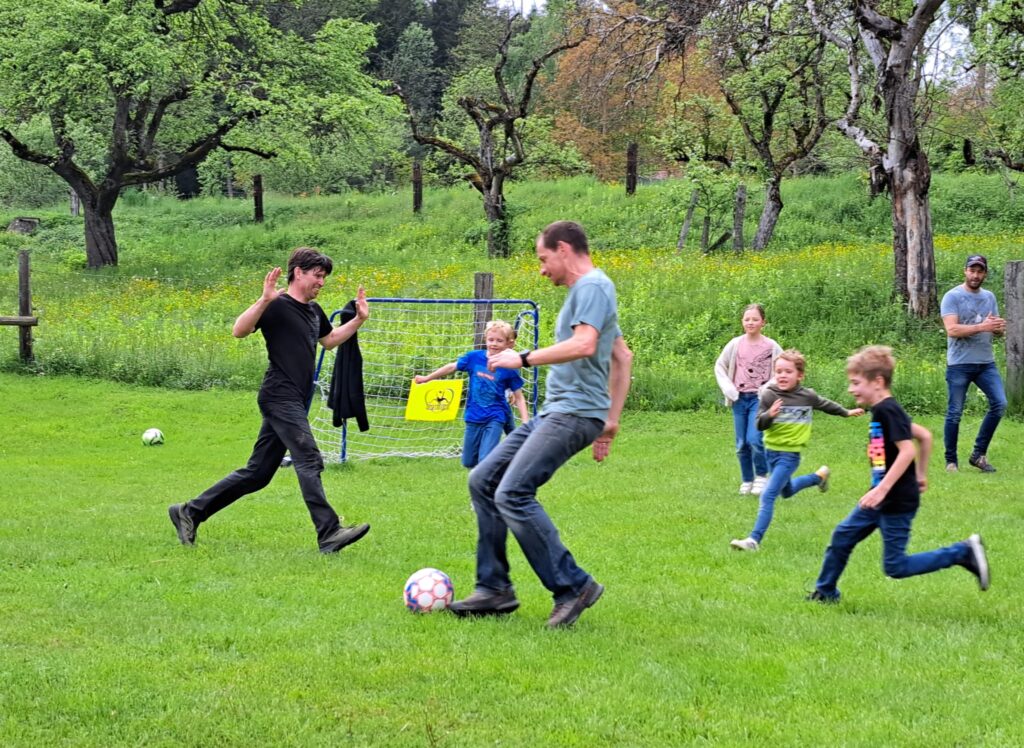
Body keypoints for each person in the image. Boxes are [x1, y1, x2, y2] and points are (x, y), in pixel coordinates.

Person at [448, 220, 633, 628]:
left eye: (543, 258)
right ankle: (494, 588)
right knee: (483, 480)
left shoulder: (593, 288)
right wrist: (612, 422)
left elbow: (585, 345)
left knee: (513, 492)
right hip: (561, 412)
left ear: (564, 249)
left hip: (573, 413)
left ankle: (573, 586)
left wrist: (524, 357)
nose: (541, 268)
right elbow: (622, 357)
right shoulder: (588, 292)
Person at [168, 247, 372, 554]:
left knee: (258, 473)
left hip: (295, 399)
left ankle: (190, 512)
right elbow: (239, 330)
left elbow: (329, 342)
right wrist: (264, 299)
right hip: (279, 395)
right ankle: (329, 532)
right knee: (308, 457)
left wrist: (358, 320)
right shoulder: (277, 305)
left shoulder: (314, 312)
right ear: (298, 272)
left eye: (324, 278)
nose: (322, 283)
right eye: (317, 276)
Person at [807, 346, 990, 603]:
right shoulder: (884, 409)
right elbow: (924, 436)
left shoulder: (886, 411)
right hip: (880, 497)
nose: (851, 389)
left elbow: (906, 451)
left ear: (878, 382)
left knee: (896, 566)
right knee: (842, 536)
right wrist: (921, 475)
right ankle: (825, 592)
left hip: (894, 500)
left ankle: (962, 552)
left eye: (856, 383)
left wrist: (882, 488)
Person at [730, 350, 864, 552]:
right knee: (788, 490)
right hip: (771, 453)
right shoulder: (769, 395)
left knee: (768, 495)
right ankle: (818, 477)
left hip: (789, 456)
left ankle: (753, 540)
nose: (782, 375)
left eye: (788, 372)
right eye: (778, 372)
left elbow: (825, 404)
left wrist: (846, 412)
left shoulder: (806, 396)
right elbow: (759, 424)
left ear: (800, 375)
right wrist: (769, 414)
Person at [414, 319, 530, 469]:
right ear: (485, 339)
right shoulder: (474, 358)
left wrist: (525, 421)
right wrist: (427, 378)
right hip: (473, 416)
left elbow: (519, 397)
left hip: (495, 417)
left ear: (508, 344)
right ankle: (498, 467)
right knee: (469, 462)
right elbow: (451, 367)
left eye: (499, 341)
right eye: (491, 339)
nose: (494, 343)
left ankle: (494, 484)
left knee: (485, 460)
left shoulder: (509, 367)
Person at [941, 254, 1007, 473]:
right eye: (972, 270)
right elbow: (952, 330)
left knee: (1000, 404)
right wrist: (983, 327)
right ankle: (951, 461)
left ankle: (978, 455)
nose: (976, 275)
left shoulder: (989, 297)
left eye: (980, 271)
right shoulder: (953, 296)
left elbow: (995, 329)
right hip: (959, 364)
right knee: (955, 412)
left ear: (985, 274)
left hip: (986, 363)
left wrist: (998, 328)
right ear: (965, 271)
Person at [714, 303, 783, 496]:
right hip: (739, 399)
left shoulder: (771, 346)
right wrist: (729, 389)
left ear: (763, 322)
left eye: (755, 319)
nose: (750, 323)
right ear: (742, 322)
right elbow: (720, 366)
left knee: (754, 439)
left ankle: (762, 475)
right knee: (741, 443)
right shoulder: (735, 344)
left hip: (758, 400)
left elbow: (781, 369)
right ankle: (747, 479)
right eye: (747, 319)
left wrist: (767, 388)